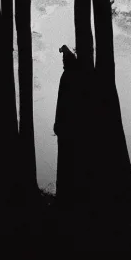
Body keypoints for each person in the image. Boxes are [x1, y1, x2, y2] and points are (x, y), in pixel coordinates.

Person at [54, 45, 79, 207]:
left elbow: (62, 104)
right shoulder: (74, 76)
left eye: (64, 59)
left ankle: (66, 195)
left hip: (67, 127)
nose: (63, 61)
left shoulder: (68, 77)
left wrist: (58, 123)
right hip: (69, 127)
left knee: (66, 161)